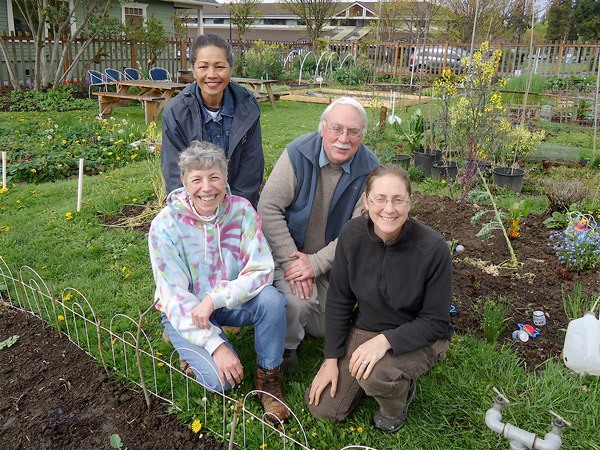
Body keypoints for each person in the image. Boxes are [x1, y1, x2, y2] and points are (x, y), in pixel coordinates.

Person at [306, 164, 453, 433]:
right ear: (366, 201)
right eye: (380, 199)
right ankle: (376, 374)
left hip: (421, 336)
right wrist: (331, 359)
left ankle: (395, 404)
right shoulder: (352, 235)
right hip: (367, 328)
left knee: (376, 376)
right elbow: (339, 299)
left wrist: (386, 342)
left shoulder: (433, 248)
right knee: (323, 409)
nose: (389, 209)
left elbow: (436, 321)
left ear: (410, 201)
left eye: (398, 200)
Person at [149, 140, 288, 422]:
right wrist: (216, 345)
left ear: (225, 179)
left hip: (225, 302)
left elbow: (262, 269)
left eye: (214, 177)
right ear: (184, 182)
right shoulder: (164, 225)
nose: (207, 187)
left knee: (273, 301)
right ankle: (189, 340)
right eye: (197, 179)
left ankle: (269, 377)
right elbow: (174, 296)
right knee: (221, 382)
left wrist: (216, 299)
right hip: (187, 311)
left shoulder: (242, 211)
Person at [257, 97, 380, 370]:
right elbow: (268, 208)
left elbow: (360, 230)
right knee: (297, 302)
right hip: (289, 251)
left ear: (362, 136)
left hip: (332, 261)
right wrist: (294, 263)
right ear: (322, 128)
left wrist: (315, 264)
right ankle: (286, 351)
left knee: (326, 326)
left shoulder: (371, 170)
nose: (343, 139)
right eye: (336, 129)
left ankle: (292, 318)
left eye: (353, 132)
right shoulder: (297, 154)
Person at [161, 34, 263, 207]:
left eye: (220, 66)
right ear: (193, 70)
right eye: (203, 67)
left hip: (237, 206)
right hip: (195, 205)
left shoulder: (248, 106)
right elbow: (174, 174)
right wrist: (196, 214)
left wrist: (235, 214)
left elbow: (251, 171)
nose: (212, 75)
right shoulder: (176, 113)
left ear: (231, 69)